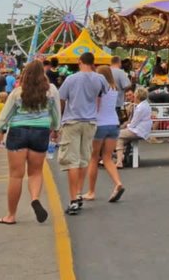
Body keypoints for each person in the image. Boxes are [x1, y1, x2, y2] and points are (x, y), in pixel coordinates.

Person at [0, 60, 58, 225]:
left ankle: (11, 215)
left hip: (18, 132)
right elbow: (55, 112)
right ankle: (34, 198)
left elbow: (5, 115)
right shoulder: (51, 91)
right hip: (40, 132)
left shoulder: (17, 92)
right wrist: (55, 128)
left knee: (16, 176)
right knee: (36, 172)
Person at [57, 52, 109, 215]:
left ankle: (73, 199)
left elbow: (62, 98)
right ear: (93, 63)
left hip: (72, 121)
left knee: (72, 160)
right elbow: (104, 92)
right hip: (90, 121)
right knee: (84, 158)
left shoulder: (71, 79)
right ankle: (79, 191)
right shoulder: (99, 79)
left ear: (80, 61)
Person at [85, 66, 125, 203]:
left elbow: (95, 107)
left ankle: (91, 191)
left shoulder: (99, 89)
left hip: (99, 124)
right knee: (107, 157)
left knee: (93, 158)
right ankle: (118, 182)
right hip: (113, 124)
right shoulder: (114, 89)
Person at [114, 88, 153, 168]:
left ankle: (119, 159)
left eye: (135, 95)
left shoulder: (140, 108)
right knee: (120, 138)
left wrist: (125, 128)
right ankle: (119, 160)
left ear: (138, 97)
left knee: (117, 134)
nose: (134, 97)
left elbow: (133, 123)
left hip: (139, 131)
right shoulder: (145, 105)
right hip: (142, 129)